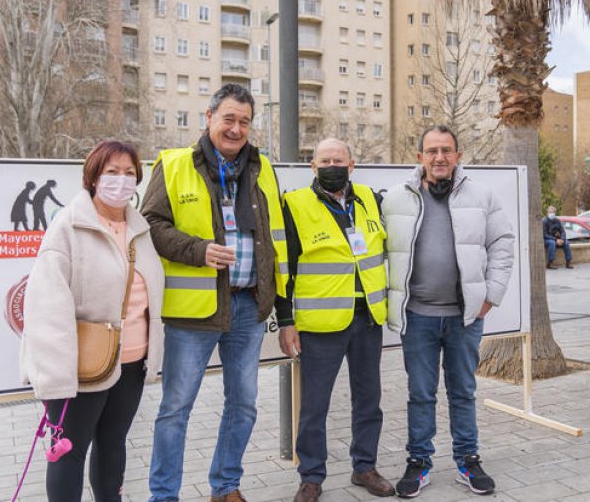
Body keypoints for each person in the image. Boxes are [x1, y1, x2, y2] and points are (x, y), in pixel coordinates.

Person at [143, 83, 288, 502]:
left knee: (243, 405)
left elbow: (274, 240)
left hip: (247, 307)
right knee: (175, 409)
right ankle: (164, 495)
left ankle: (226, 487)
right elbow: (150, 225)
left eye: (244, 121)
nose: (236, 128)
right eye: (229, 118)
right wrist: (198, 250)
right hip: (194, 312)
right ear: (209, 118)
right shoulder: (173, 165)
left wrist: (280, 306)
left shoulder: (263, 169)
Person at [20, 140, 165, 502]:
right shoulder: (68, 227)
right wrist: (56, 379)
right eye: (111, 172)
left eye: (129, 173)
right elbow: (47, 307)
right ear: (93, 178)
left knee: (113, 446)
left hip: (131, 362)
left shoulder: (140, 229)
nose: (121, 180)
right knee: (68, 453)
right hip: (81, 368)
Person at [382, 125, 514, 498]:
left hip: (464, 317)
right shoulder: (395, 198)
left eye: (446, 150)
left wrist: (493, 294)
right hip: (418, 316)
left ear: (458, 155)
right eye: (432, 151)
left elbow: (502, 242)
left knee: (462, 391)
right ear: (419, 155)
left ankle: (467, 459)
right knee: (420, 393)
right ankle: (419, 461)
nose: (439, 158)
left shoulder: (481, 195)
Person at [276, 138, 394, 502]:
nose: (332, 166)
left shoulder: (371, 200)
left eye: (338, 160)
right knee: (314, 405)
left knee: (368, 399)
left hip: (368, 318)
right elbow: (285, 267)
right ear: (313, 166)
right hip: (321, 325)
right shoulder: (294, 205)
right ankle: (311, 476)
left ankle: (365, 467)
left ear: (352, 164)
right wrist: (285, 320)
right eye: (324, 160)